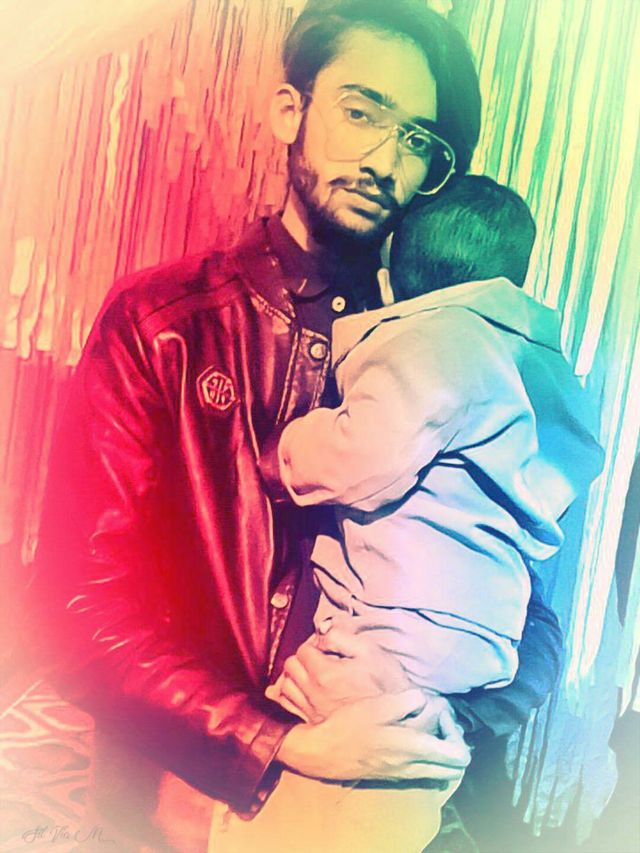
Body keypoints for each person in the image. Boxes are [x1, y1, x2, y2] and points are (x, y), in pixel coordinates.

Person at [26, 3, 562, 851]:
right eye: (361, 111)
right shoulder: (162, 323)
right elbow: (75, 602)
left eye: (418, 139)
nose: (385, 158)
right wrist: (274, 743)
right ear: (291, 110)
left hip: (405, 798)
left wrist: (427, 720)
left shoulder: (473, 354)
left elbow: (533, 611)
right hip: (188, 804)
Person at [265, 173, 603, 726]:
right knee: (402, 760)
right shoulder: (547, 371)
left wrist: (290, 446)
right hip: (491, 638)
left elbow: (361, 457)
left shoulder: (434, 341)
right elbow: (572, 465)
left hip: (394, 626)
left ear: (388, 286)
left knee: (301, 731)